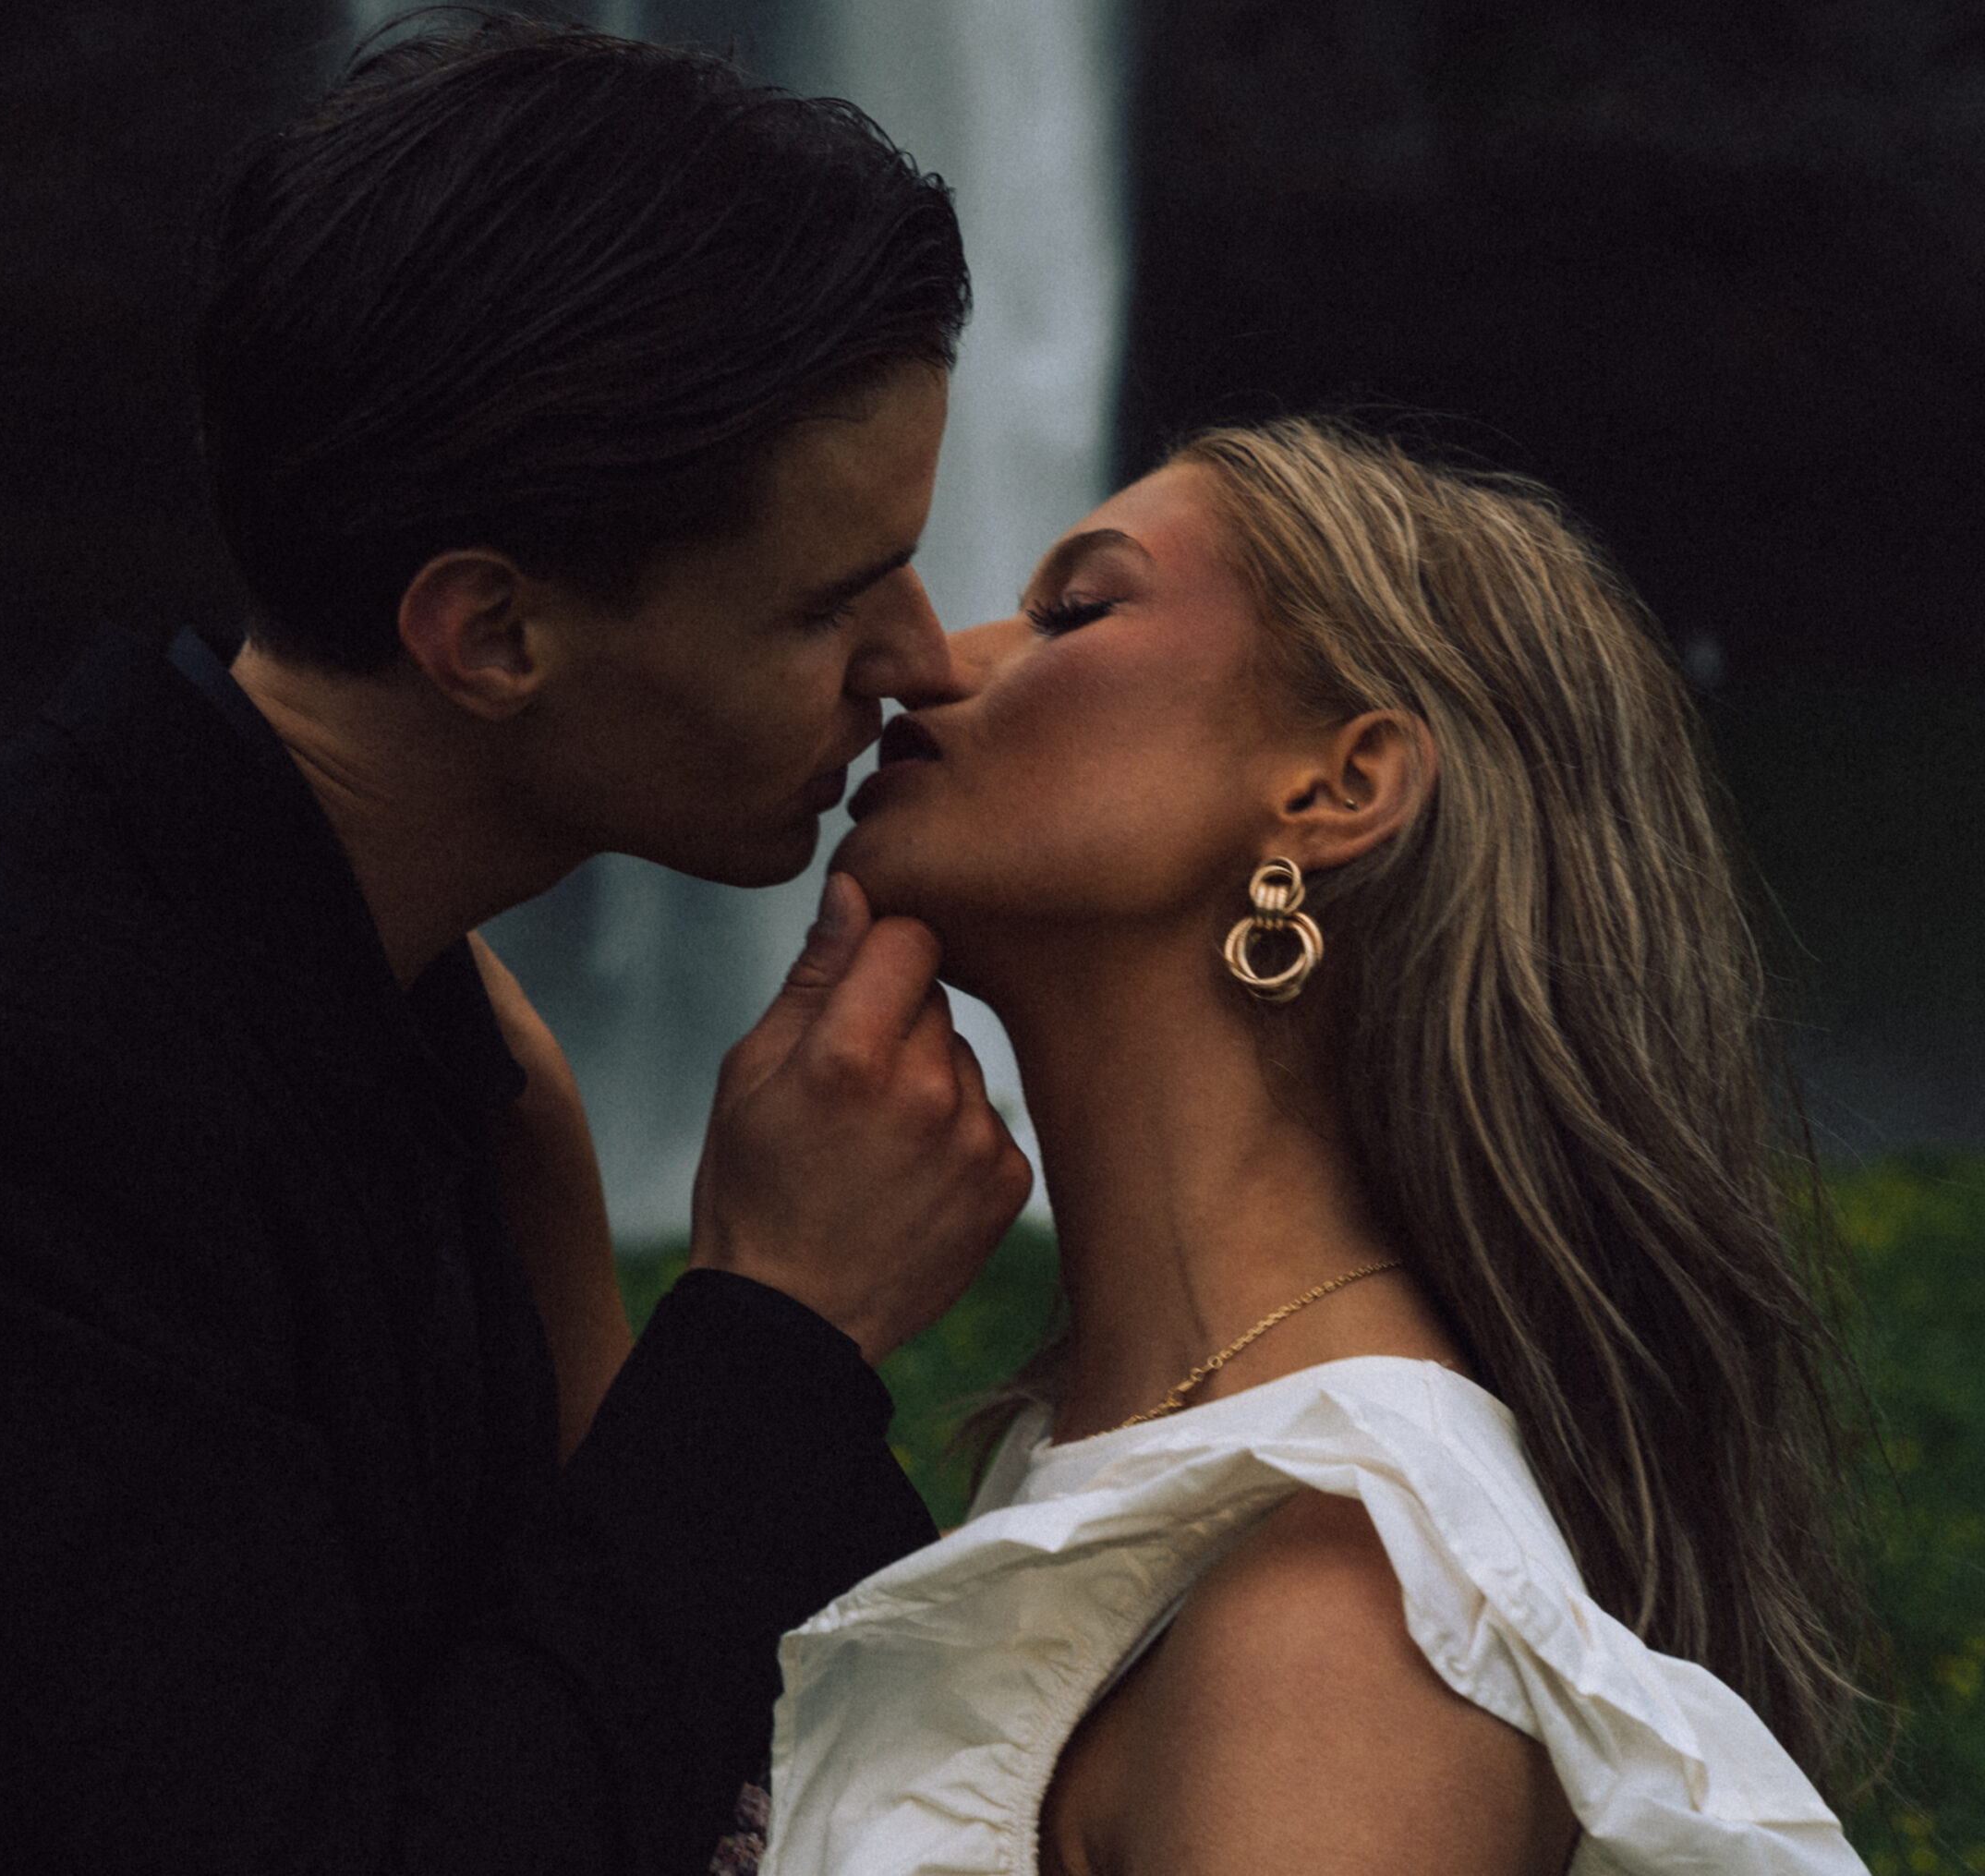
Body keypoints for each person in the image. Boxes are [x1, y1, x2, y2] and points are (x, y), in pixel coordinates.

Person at [0, 18, 1032, 1875]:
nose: (922, 660)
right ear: (489, 636)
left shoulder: (356, 1002)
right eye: (831, 601)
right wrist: (781, 1322)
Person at [758, 419, 1873, 1874]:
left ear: (1339, 790)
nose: (933, 661)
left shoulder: (1337, 1631)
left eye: (1075, 611)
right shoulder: (1138, 1477)